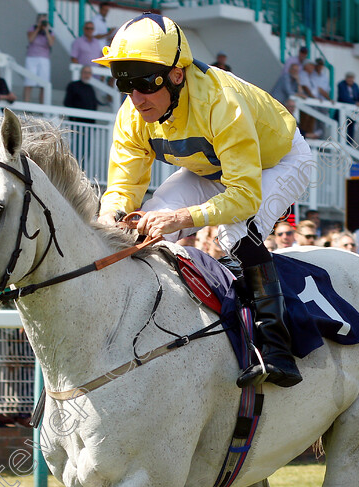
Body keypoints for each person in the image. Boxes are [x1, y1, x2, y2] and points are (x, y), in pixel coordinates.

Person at [93, 14, 312, 388]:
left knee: (234, 230)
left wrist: (183, 218)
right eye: (124, 84)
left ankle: (276, 348)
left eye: (144, 83)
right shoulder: (132, 114)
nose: (136, 98)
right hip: (210, 170)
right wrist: (111, 217)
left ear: (177, 75)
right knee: (142, 227)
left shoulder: (221, 101)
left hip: (278, 163)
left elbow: (243, 195)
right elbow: (123, 189)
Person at [24, 13, 55, 104]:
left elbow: (51, 43)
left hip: (44, 58)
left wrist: (46, 30)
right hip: (32, 57)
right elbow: (30, 39)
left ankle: (42, 105)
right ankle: (26, 105)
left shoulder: (50, 32)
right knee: (29, 82)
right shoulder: (32, 29)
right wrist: (38, 28)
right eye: (41, 21)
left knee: (43, 84)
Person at [337, 72, 359, 140]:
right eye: (349, 78)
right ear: (346, 78)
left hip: (352, 112)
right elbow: (343, 97)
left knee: (351, 129)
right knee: (341, 129)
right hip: (342, 111)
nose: (350, 80)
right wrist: (354, 103)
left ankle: (349, 145)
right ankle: (340, 145)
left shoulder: (355, 86)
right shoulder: (341, 84)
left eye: (352, 78)